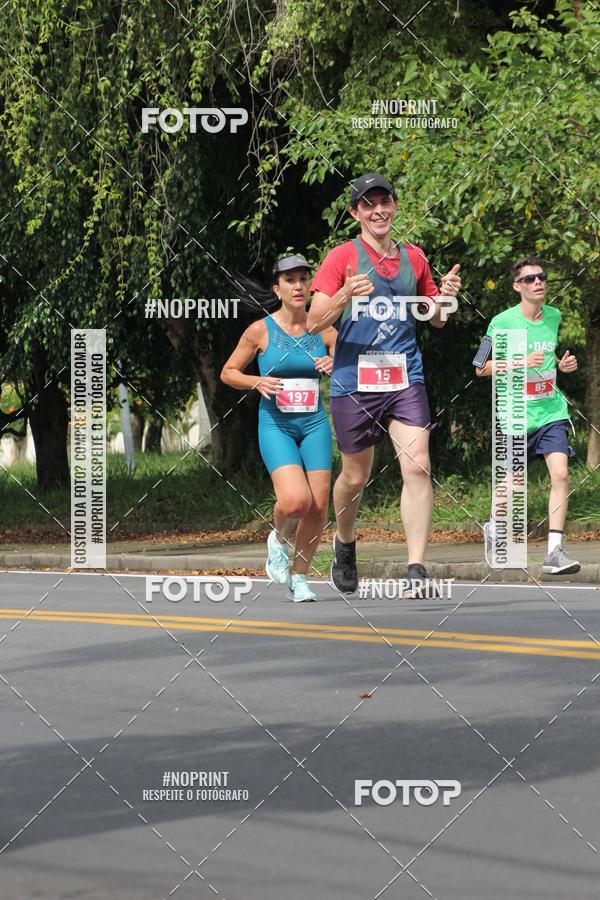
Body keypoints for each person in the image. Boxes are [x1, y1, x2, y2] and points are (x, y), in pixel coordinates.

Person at [307, 173, 461, 596]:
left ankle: (416, 567)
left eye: (385, 202)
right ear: (355, 213)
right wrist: (343, 296)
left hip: (405, 376)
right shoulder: (342, 258)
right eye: (368, 204)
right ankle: (345, 542)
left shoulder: (414, 257)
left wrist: (446, 297)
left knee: (418, 464)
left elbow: (436, 318)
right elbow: (313, 323)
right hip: (354, 380)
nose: (379, 211)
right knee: (355, 477)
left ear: (394, 206)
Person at [221, 254, 337, 601]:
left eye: (303, 279)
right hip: (276, 425)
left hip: (315, 424)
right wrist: (256, 381)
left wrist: (335, 362)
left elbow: (350, 362)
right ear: (277, 289)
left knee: (318, 506)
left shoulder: (324, 328)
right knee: (295, 500)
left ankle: (299, 577)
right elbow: (228, 372)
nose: (298, 286)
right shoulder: (260, 330)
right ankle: (278, 539)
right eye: (290, 280)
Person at [476, 256, 580, 575]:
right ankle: (494, 526)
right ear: (517, 287)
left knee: (560, 475)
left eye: (542, 277)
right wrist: (520, 362)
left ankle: (554, 552)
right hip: (516, 415)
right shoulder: (501, 323)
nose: (538, 283)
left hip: (551, 411)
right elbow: (479, 367)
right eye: (530, 279)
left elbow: (547, 355)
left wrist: (561, 365)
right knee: (515, 482)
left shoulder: (554, 316)